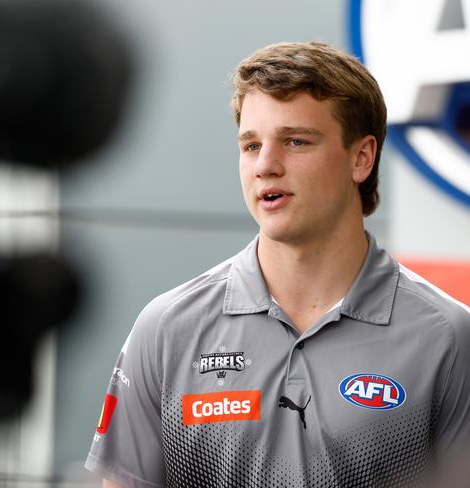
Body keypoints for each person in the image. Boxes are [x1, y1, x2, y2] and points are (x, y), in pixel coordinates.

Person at [84, 41, 470, 488]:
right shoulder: (167, 328)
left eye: (296, 141)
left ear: (361, 157)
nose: (266, 165)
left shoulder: (448, 336)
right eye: (251, 145)